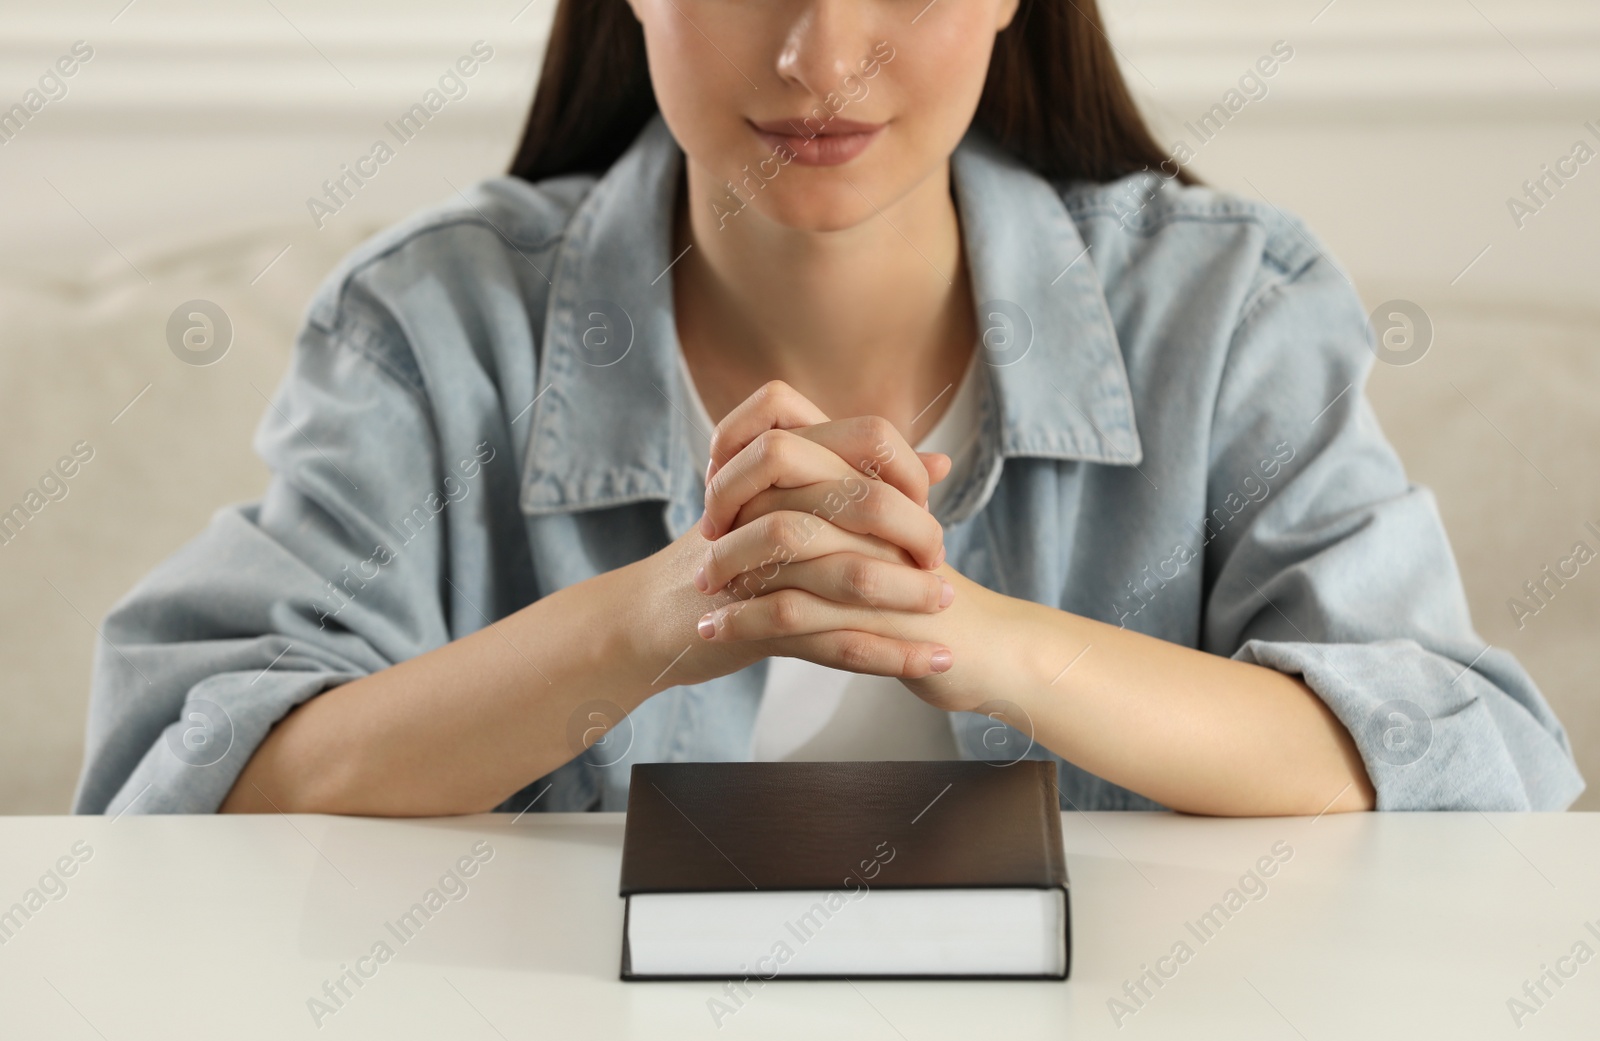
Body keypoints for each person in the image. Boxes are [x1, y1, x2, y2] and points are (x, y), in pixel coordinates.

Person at [74, 0, 1583, 818]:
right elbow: (189, 784)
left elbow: (1470, 768)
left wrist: (967, 637)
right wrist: (655, 617)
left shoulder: (1227, 308)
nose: (820, 55)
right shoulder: (427, 324)